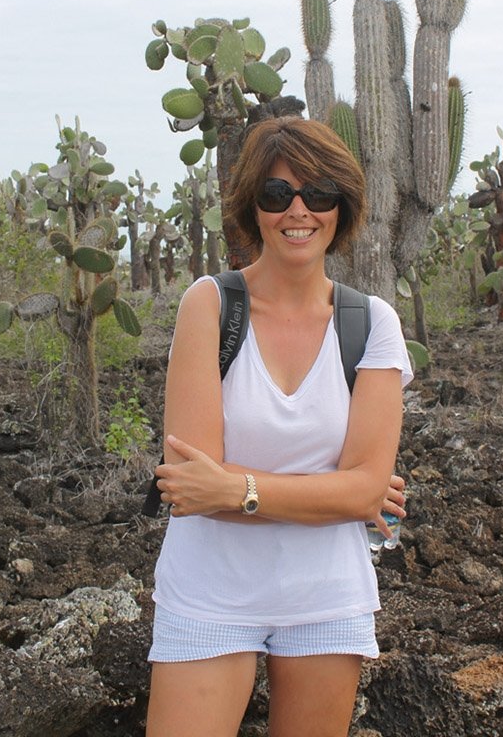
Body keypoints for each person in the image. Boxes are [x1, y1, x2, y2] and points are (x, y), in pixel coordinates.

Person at [146, 116, 413, 737]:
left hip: (326, 599)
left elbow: (366, 493)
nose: (299, 210)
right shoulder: (209, 305)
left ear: (342, 205)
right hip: (208, 595)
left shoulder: (372, 323)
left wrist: (236, 488)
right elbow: (190, 486)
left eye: (319, 193)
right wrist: (336, 494)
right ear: (252, 206)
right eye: (277, 193)